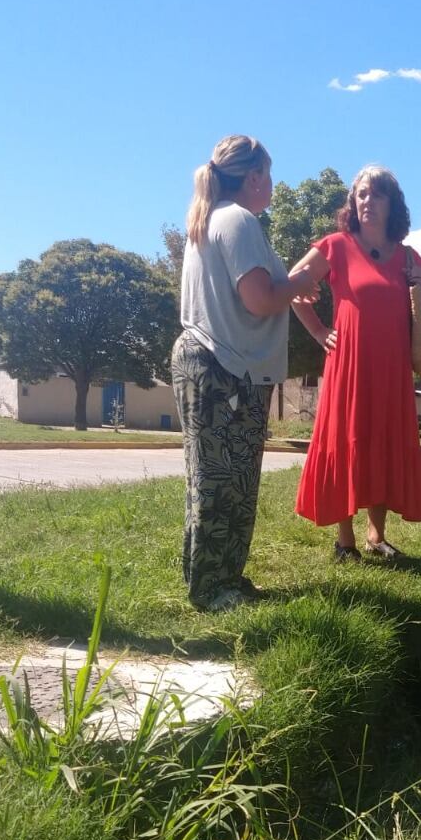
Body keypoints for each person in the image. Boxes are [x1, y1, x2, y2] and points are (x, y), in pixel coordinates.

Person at [173, 135, 317, 611]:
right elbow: (258, 299)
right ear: (253, 177)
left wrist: (287, 288)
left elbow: (257, 290)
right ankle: (212, 589)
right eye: (269, 176)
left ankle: (220, 577)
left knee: (222, 478)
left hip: (215, 363)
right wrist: (303, 280)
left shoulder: (213, 219)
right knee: (222, 480)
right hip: (223, 367)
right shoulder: (237, 219)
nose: (272, 185)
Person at [290, 166, 421, 561]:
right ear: (354, 201)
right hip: (349, 364)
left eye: (377, 194)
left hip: (392, 366)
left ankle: (377, 535)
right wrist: (318, 332)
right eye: (362, 194)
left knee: (382, 440)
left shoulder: (406, 257)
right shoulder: (335, 245)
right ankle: (345, 540)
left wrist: (420, 285)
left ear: (392, 204)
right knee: (348, 439)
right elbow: (293, 285)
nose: (368, 201)